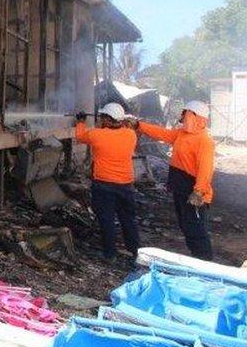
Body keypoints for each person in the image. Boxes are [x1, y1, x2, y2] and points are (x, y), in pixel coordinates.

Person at [132, 100, 215, 260]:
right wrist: (139, 125)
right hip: (180, 188)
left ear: (193, 116)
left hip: (193, 191)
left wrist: (198, 191)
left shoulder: (204, 141)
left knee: (196, 229)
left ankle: (205, 261)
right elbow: (162, 133)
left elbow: (206, 169)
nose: (181, 117)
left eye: (185, 114)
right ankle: (197, 258)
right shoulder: (181, 134)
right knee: (186, 226)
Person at [73, 102, 140, 261]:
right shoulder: (131, 135)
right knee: (128, 220)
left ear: (108, 120)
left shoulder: (97, 134)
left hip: (104, 185)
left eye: (103, 117)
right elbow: (128, 128)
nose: (101, 120)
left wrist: (81, 121)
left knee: (106, 220)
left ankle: (110, 254)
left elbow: (80, 136)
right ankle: (135, 252)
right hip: (125, 185)